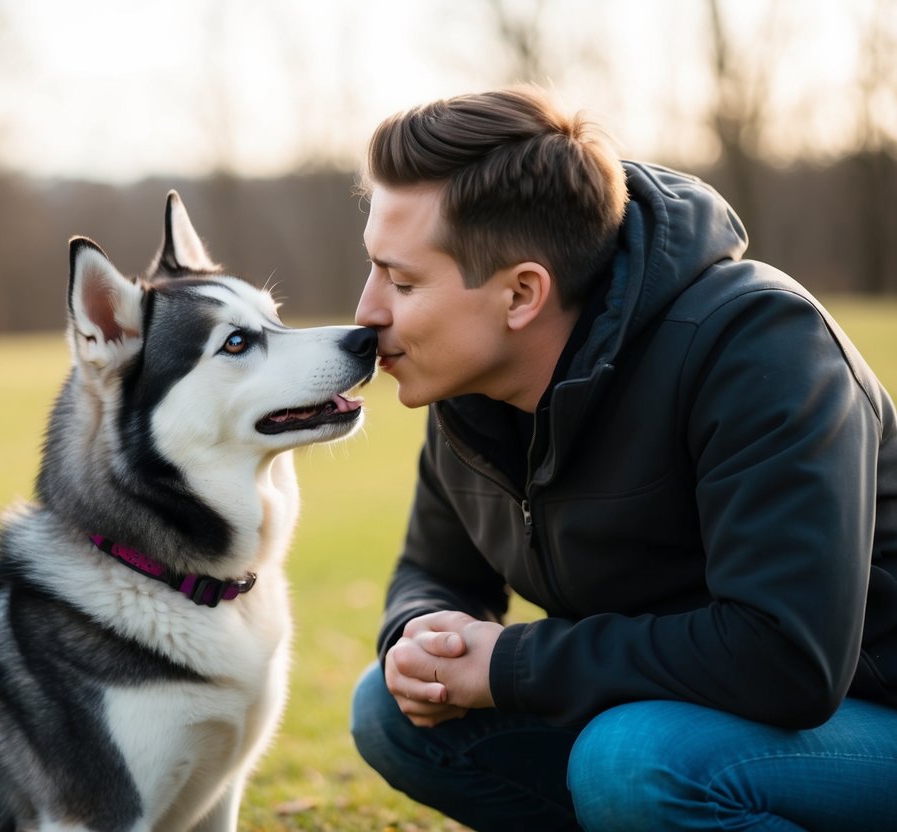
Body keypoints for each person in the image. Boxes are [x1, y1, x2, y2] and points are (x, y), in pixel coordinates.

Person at [348, 85, 897, 832]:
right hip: (701, 714)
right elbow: (435, 571)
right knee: (391, 710)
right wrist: (421, 640)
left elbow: (786, 659)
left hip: (863, 716)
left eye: (402, 281)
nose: (365, 313)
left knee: (634, 760)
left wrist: (509, 663)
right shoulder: (468, 392)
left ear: (521, 294)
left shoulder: (759, 347)